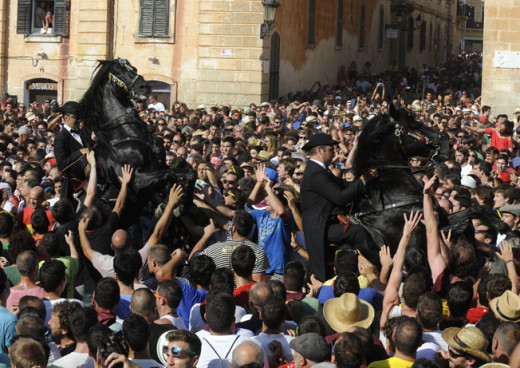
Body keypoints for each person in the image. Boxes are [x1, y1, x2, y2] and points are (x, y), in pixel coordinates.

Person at [300, 132, 378, 281]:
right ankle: (374, 266)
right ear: (319, 150)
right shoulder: (315, 173)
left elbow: (343, 186)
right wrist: (362, 180)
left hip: (328, 223)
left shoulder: (321, 169)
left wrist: (365, 179)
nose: (334, 152)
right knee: (358, 232)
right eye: (331, 149)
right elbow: (340, 197)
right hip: (321, 228)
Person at [53, 101, 92, 199]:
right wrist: (79, 152)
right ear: (66, 118)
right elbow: (62, 164)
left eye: (79, 118)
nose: (78, 121)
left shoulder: (83, 133)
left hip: (91, 182)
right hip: (73, 187)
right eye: (75, 117)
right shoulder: (60, 137)